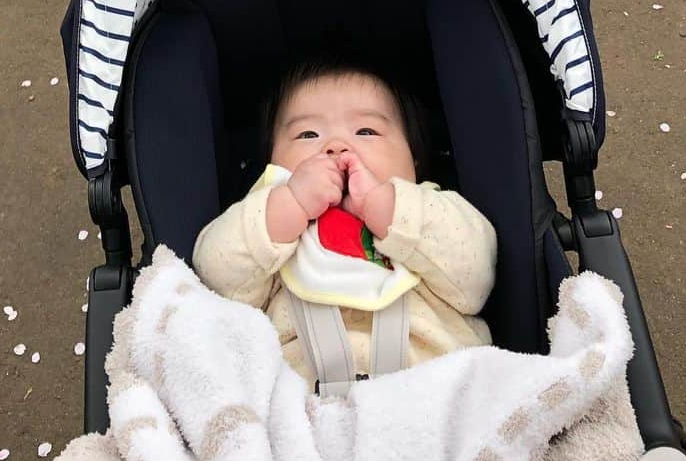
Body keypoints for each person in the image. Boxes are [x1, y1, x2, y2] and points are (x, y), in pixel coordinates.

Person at [192, 53, 497, 385]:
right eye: (308, 135)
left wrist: (390, 206)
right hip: (298, 409)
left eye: (366, 131)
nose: (336, 147)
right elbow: (214, 279)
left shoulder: (431, 209)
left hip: (436, 397)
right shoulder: (266, 221)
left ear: (414, 159)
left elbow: (476, 274)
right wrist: (288, 205)